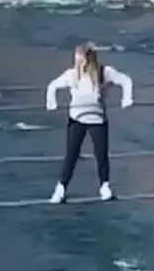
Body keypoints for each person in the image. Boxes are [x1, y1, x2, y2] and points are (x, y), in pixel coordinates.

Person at [45, 43, 134, 203]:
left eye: (80, 57)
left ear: (88, 58)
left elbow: (126, 80)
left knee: (101, 155)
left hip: (97, 120)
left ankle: (105, 187)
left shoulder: (104, 72)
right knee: (71, 155)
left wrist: (126, 98)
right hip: (77, 120)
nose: (77, 61)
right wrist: (51, 102)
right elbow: (52, 86)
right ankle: (61, 188)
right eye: (76, 57)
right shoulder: (72, 74)